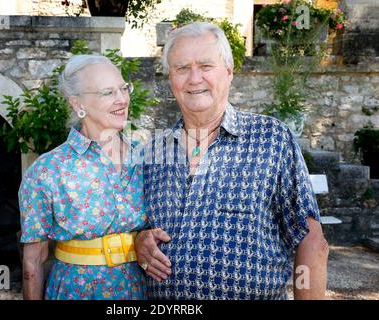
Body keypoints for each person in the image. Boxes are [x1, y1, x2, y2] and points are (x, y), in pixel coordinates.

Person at [135, 22, 329, 300]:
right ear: (170, 80)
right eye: (181, 68)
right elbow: (138, 227)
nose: (194, 78)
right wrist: (138, 242)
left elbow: (310, 240)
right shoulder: (152, 152)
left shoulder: (271, 138)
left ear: (229, 72)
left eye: (205, 66)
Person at [19, 54, 148, 300]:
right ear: (77, 103)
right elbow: (33, 262)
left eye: (123, 88)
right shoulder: (48, 170)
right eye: (107, 92)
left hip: (140, 291)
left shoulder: (145, 158)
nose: (122, 99)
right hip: (77, 292)